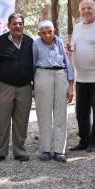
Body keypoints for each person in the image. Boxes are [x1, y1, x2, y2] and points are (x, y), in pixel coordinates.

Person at [0, 13, 34, 164]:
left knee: (22, 121)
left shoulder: (29, 41)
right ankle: (0, 152)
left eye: (20, 24)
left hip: (25, 87)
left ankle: (19, 151)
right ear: (8, 25)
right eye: (14, 24)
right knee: (2, 120)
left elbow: (34, 64)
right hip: (4, 87)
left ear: (23, 25)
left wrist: (35, 86)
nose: (18, 26)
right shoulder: (0, 42)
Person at [69, 0, 95, 153]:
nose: (86, 11)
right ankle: (83, 140)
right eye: (83, 8)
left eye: (89, 8)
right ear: (80, 11)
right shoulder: (78, 26)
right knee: (81, 112)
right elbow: (74, 46)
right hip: (81, 77)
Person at [33, 20, 74, 163]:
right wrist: (33, 86)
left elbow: (68, 62)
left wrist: (71, 85)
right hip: (43, 75)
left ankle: (59, 151)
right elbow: (32, 63)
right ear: (39, 34)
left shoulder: (60, 42)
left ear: (54, 31)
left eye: (49, 31)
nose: (47, 35)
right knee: (44, 114)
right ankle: (45, 149)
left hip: (60, 75)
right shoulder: (36, 44)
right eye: (43, 33)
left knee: (61, 113)